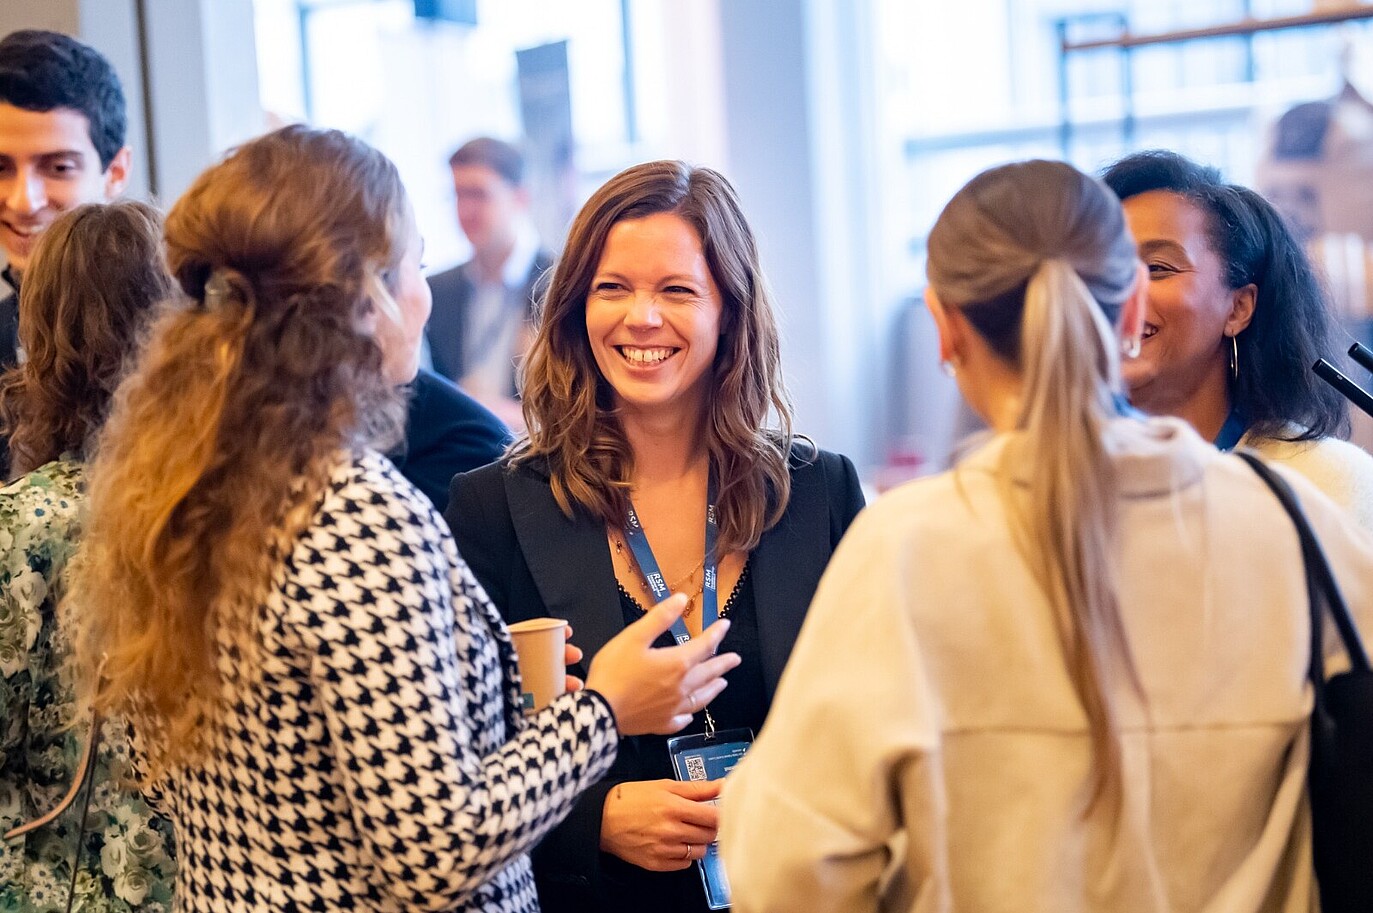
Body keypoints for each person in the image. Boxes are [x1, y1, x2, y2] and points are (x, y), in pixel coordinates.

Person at [68, 126, 739, 913]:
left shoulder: (187, 492)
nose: (424, 293)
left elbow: (311, 761)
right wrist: (602, 710)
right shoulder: (356, 510)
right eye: (415, 265)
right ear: (366, 299)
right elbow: (434, 852)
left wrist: (506, 700)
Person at [719, 159, 1373, 912]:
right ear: (1129, 314)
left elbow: (786, 864)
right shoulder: (1291, 521)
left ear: (943, 325)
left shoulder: (907, 550)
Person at [446, 160, 865, 913]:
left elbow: (882, 721)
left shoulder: (820, 493)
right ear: (576, 308)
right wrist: (589, 819)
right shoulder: (492, 508)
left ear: (727, 310)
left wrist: (787, 798)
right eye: (613, 288)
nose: (641, 318)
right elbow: (455, 774)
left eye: (675, 290)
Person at [0, 202, 174, 910]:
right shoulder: (220, 512)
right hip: (211, 883)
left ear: (41, 334)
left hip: (57, 887)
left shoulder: (24, 522)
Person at [1102, 149, 1373, 527]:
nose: (1118, 295)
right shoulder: (1055, 483)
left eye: (1158, 269)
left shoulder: (1326, 486)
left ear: (1238, 308)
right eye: (1102, 270)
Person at [0, 29, 132, 474]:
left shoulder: (183, 336)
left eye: (58, 167)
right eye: (1, 168)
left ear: (115, 172)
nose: (23, 201)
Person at [426, 137, 552, 425]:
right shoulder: (436, 290)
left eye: (478, 194)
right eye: (458, 195)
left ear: (520, 198)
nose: (465, 210)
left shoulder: (560, 282)